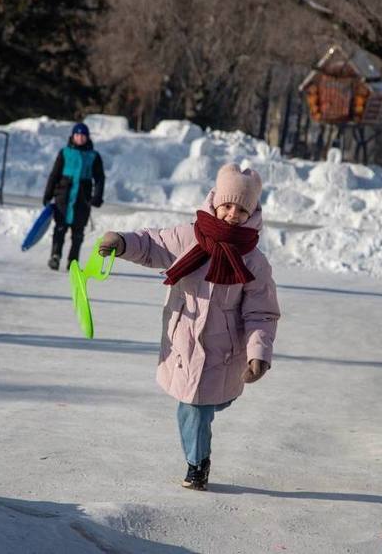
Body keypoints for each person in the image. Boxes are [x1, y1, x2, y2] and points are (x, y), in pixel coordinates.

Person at [98, 164, 281, 491]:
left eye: (242, 209)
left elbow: (261, 313)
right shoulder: (188, 236)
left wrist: (259, 354)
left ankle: (205, 431)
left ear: (252, 211)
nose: (232, 214)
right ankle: (197, 465)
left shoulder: (253, 261)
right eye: (227, 205)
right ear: (214, 202)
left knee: (209, 404)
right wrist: (122, 243)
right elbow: (152, 245)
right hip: (184, 342)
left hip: (224, 352)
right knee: (192, 407)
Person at [43, 122, 105, 271]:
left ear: (87, 138)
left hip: (82, 200)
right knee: (60, 228)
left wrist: (97, 196)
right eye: (77, 135)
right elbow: (54, 174)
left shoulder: (94, 156)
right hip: (63, 197)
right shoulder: (64, 153)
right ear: (73, 136)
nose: (80, 138)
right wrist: (48, 194)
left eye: (83, 135)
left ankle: (73, 261)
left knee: (78, 233)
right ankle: (55, 256)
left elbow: (100, 178)